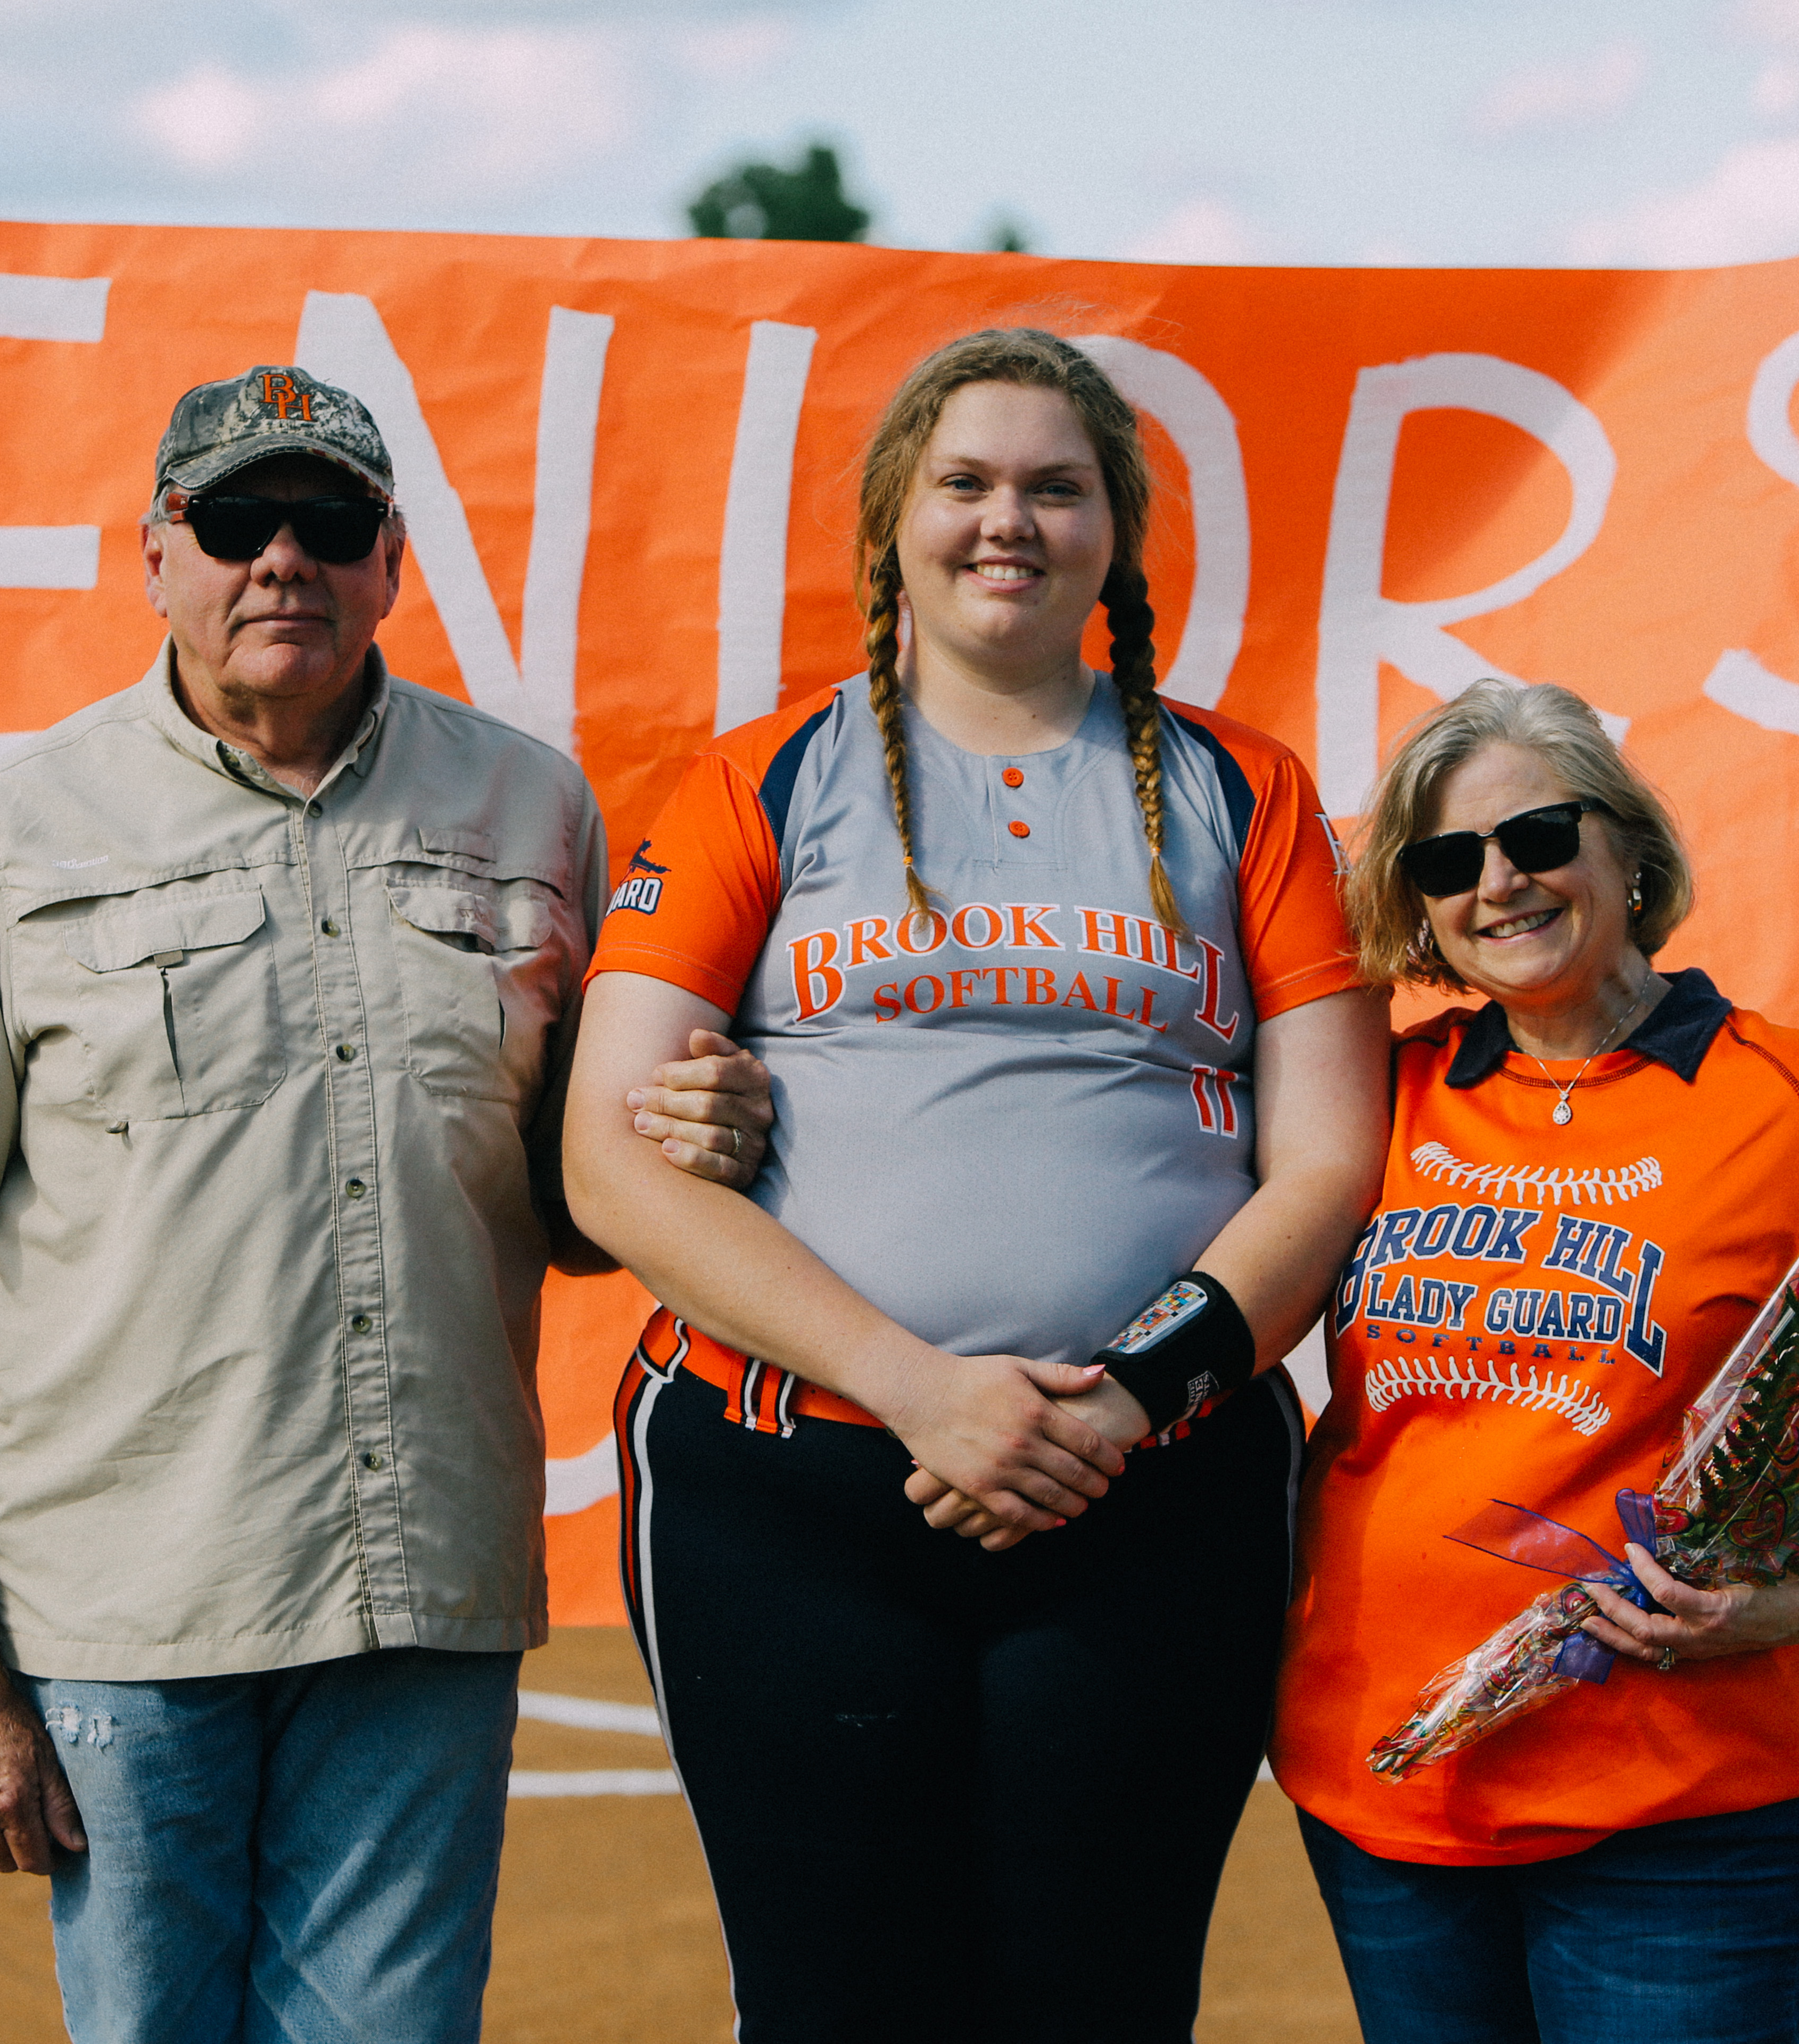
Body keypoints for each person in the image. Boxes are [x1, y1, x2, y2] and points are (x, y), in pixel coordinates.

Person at [0, 365, 758, 2044]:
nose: (285, 560)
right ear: (156, 553)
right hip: (125, 1598)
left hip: (419, 1583)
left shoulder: (531, 807)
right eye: (236, 521)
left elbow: (569, 1201)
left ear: (392, 559)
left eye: (329, 523)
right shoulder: (9, 834)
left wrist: (690, 1129)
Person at [566, 327, 1389, 2041]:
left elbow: (1327, 1158)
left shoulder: (1250, 793)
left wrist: (1131, 1398)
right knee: (837, 2003)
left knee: (1103, 1999)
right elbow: (609, 1158)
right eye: (964, 482)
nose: (1005, 520)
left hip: (1150, 1489)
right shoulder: (759, 782)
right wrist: (924, 1392)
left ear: (1116, 537)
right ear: (894, 526)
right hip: (793, 1493)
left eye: (1055, 486)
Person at [1269, 679, 1799, 2044]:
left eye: (1538, 836)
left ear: (1626, 847)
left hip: (1684, 1810)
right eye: (1446, 863)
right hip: (1390, 1790)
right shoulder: (1376, 1097)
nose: (1500, 884)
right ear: (1417, 908)